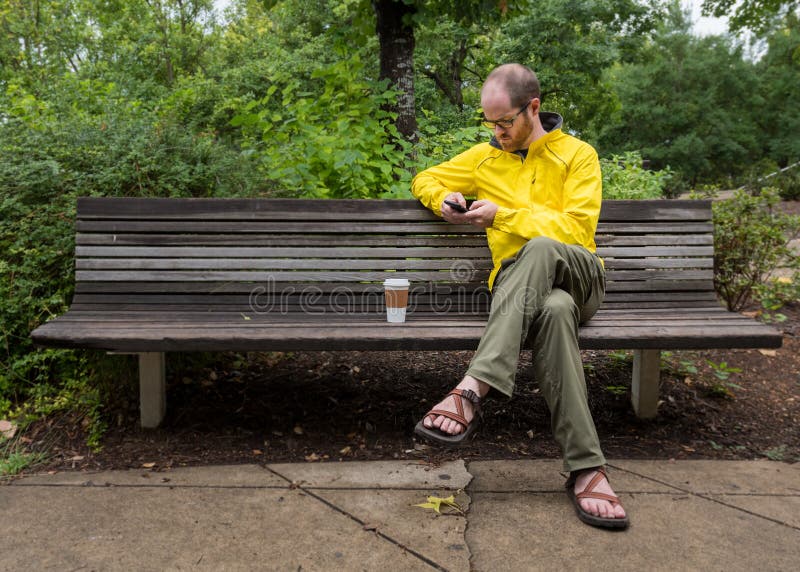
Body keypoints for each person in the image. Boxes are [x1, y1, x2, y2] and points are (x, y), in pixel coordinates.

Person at [410, 63, 629, 529]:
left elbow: (576, 230)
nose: (497, 132)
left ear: (533, 108)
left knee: (545, 248)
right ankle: (588, 467)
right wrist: (444, 198)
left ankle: (473, 387)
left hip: (580, 274)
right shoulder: (483, 158)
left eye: (505, 122)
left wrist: (504, 217)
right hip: (523, 295)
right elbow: (423, 178)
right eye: (489, 123)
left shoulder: (578, 155)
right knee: (553, 310)